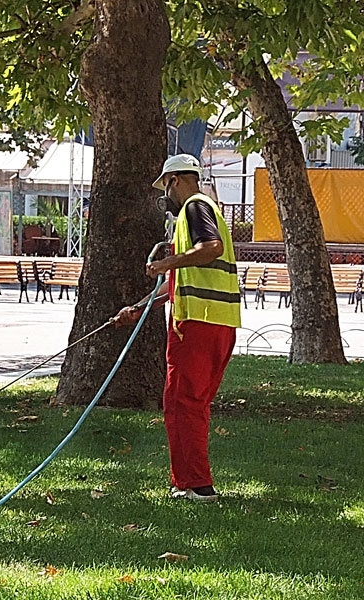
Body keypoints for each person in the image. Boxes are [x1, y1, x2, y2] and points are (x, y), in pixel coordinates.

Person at [114, 154, 241, 502]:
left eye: (165, 186)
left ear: (176, 180)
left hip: (197, 324)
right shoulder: (204, 211)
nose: (165, 196)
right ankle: (186, 481)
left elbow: (210, 249)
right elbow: (179, 283)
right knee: (185, 402)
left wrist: (165, 262)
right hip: (218, 323)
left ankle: (197, 486)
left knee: (184, 402)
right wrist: (137, 309)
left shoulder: (195, 208)